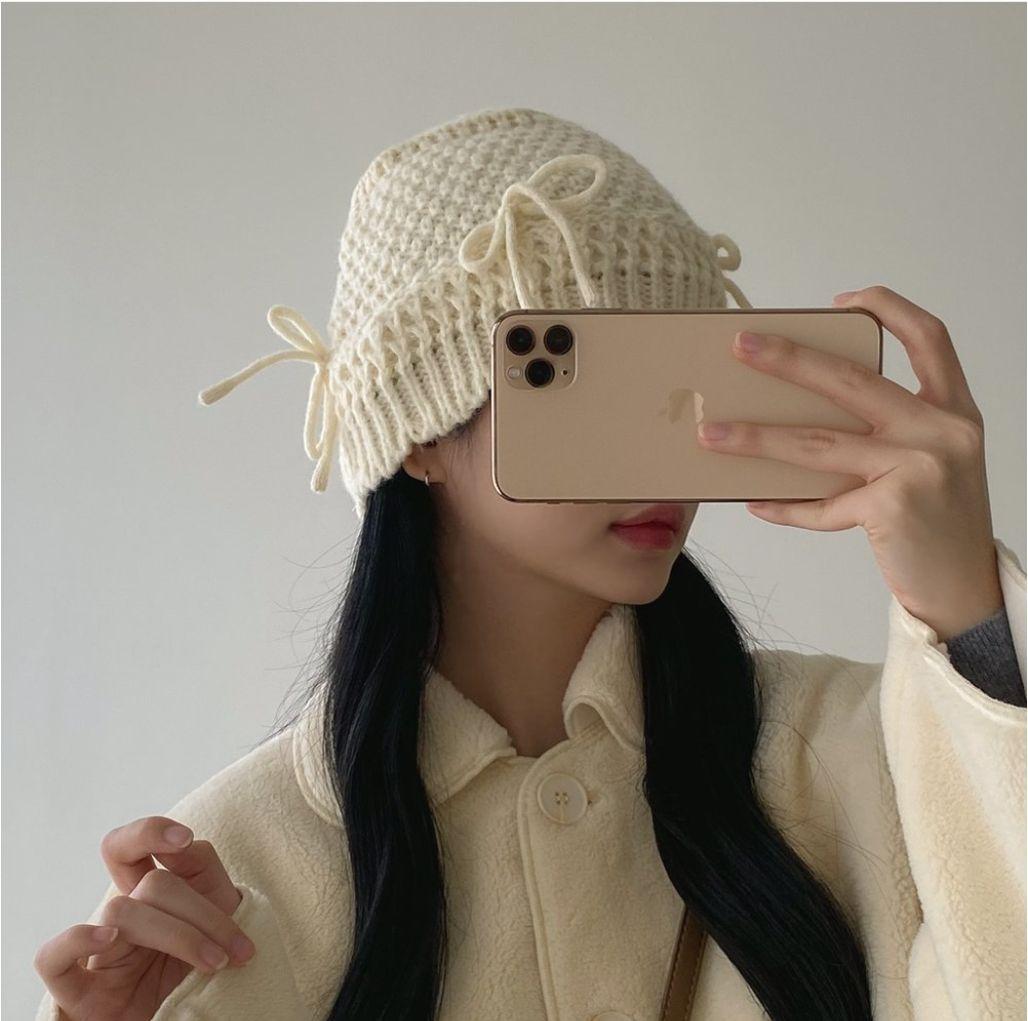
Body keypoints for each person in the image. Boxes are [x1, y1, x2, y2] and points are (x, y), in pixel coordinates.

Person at [34, 108, 1026, 1021]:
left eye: (681, 390)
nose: (657, 457)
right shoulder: (244, 869)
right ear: (420, 431)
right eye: (587, 381)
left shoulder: (855, 752)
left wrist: (965, 609)